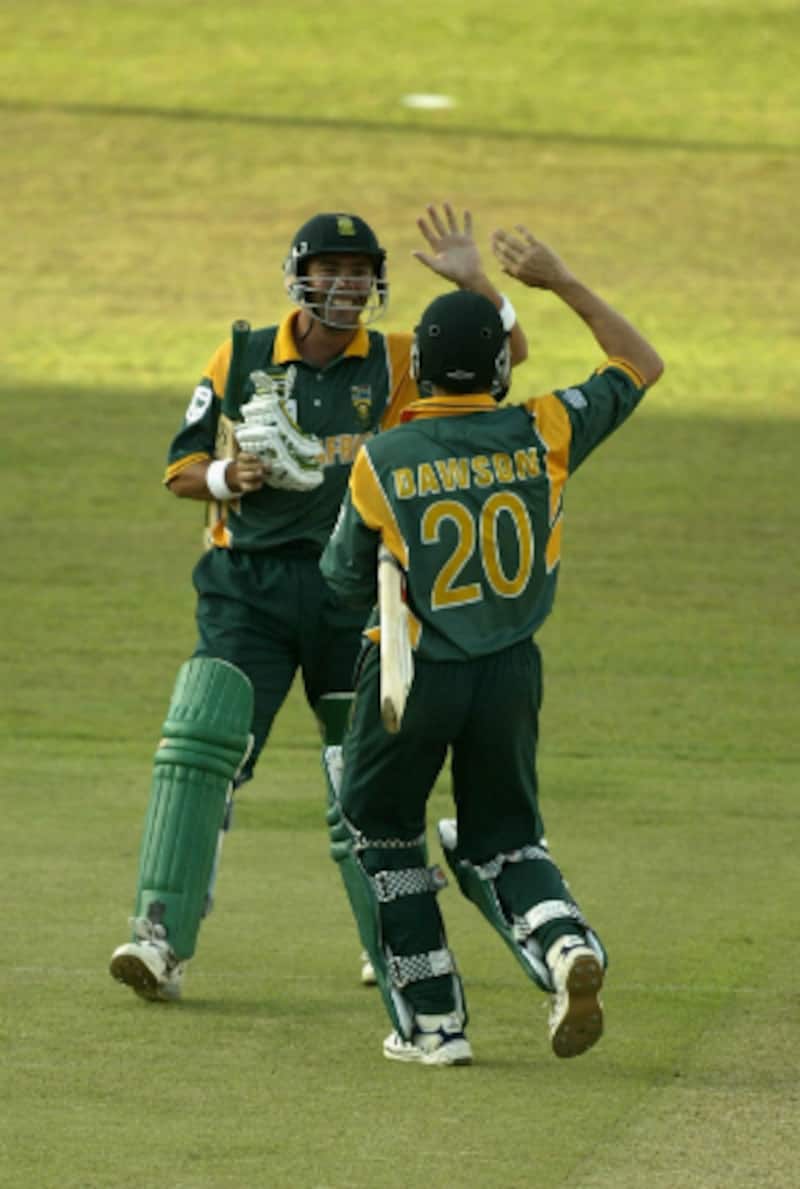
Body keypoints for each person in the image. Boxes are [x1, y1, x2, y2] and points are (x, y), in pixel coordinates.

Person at [109, 203, 528, 1003]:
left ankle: (391, 934)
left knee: (363, 771)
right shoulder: (240, 355)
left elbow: (503, 359)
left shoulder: (403, 361)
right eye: (329, 269)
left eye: (358, 270)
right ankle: (156, 938)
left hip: (355, 588)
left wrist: (477, 283)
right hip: (249, 591)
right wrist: (232, 478)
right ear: (299, 275)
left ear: (378, 280)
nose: (343, 283)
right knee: (202, 747)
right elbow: (181, 467)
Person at [319, 224, 664, 1065]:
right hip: (511, 670)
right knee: (505, 837)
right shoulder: (544, 427)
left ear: (421, 374)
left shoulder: (383, 459)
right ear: (502, 369)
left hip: (415, 671)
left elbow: (340, 577)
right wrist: (561, 280)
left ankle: (434, 1025)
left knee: (382, 827)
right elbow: (640, 364)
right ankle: (564, 944)